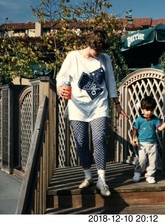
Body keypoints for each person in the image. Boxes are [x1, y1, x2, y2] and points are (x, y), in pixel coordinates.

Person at [56, 29, 129, 197]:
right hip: (77, 106)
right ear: (89, 44)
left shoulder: (105, 58)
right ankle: (88, 176)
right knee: (81, 142)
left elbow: (110, 81)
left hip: (99, 105)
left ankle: (102, 181)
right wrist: (61, 88)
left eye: (103, 50)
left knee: (99, 139)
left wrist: (117, 103)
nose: (100, 54)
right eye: (98, 50)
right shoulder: (73, 57)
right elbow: (61, 78)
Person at [131, 96, 165, 184]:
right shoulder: (139, 119)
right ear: (142, 109)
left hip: (153, 144)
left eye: (151, 110)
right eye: (147, 110)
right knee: (142, 160)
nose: (149, 112)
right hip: (142, 144)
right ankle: (137, 172)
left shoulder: (155, 120)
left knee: (153, 161)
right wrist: (133, 139)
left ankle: (150, 175)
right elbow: (134, 129)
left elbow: (160, 129)